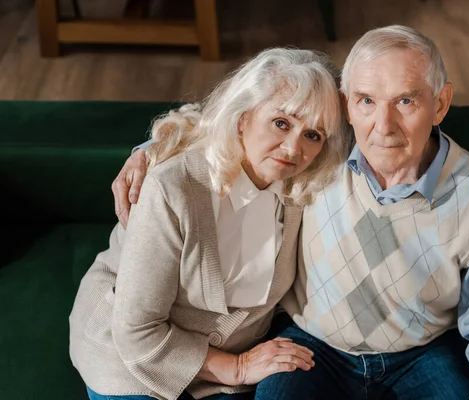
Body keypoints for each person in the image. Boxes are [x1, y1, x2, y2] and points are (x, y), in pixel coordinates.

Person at [115, 25, 469, 400]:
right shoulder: (320, 150)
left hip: (420, 353)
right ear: (348, 105)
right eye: (366, 101)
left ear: (440, 105)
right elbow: (245, 113)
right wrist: (152, 152)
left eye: (406, 101)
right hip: (311, 345)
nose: (383, 127)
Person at [69, 47, 350, 400]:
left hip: (229, 362)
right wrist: (238, 368)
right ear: (243, 117)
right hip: (128, 355)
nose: (294, 148)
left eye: (313, 135)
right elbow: (136, 331)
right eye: (281, 123)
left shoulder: (305, 188)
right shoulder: (172, 187)